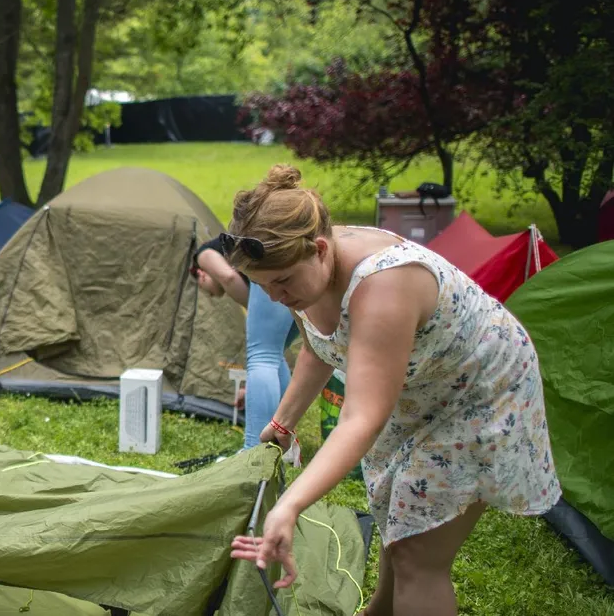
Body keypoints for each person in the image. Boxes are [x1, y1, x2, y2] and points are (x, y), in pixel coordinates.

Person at [226, 165, 560, 616]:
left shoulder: (383, 283)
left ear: (320, 250)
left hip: (479, 390)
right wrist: (282, 423)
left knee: (417, 554)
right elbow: (321, 346)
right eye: (264, 286)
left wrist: (290, 505)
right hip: (421, 381)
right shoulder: (306, 266)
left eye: (282, 282)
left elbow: (362, 419)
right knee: (397, 517)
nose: (275, 297)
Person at [193, 235, 299, 450]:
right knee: (274, 356)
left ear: (200, 275)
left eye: (206, 291)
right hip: (293, 268)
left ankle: (253, 449)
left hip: (271, 266)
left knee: (263, 357)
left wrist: (255, 310)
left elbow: (228, 277)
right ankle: (281, 438)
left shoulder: (202, 255)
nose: (211, 296)